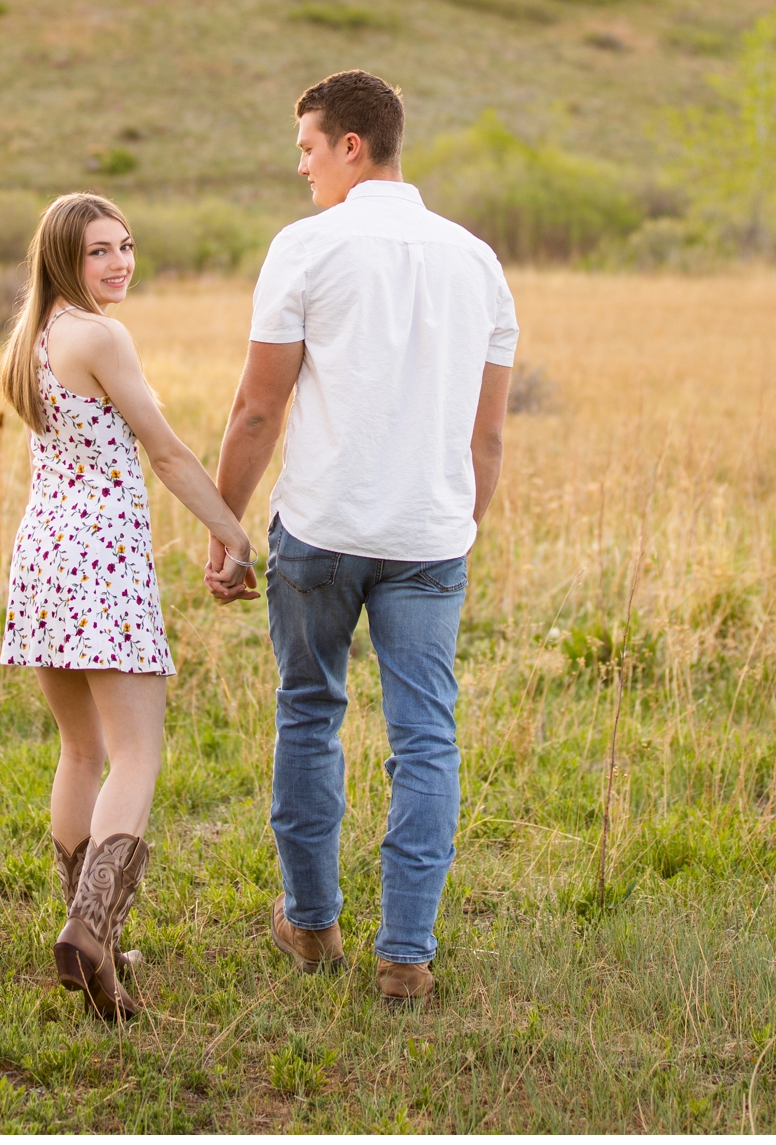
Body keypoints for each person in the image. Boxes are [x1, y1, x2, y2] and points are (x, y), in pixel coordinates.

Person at [204, 70, 515, 1007]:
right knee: (427, 739)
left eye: (306, 147)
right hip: (429, 537)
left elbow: (259, 409)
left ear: (351, 145)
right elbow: (488, 434)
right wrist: (456, 531)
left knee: (309, 713)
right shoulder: (478, 261)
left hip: (324, 530)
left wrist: (226, 529)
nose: (299, 166)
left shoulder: (305, 248)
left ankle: (310, 925)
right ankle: (406, 954)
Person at [0, 192, 256, 1021]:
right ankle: (91, 932)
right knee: (135, 755)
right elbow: (167, 451)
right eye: (99, 251)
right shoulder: (101, 335)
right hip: (103, 566)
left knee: (80, 752)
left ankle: (90, 926)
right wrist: (234, 535)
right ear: (63, 259)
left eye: (126, 246)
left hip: (42, 559)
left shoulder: (35, 339)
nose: (119, 264)